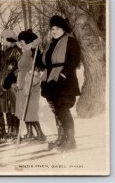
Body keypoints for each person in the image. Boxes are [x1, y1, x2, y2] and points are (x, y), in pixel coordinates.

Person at [36, 15, 81, 151]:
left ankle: (71, 140)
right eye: (52, 29)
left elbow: (74, 60)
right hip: (50, 81)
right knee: (56, 111)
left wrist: (62, 74)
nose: (54, 31)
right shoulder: (51, 44)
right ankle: (62, 138)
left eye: (57, 28)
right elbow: (44, 63)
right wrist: (36, 53)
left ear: (63, 29)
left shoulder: (70, 41)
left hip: (64, 81)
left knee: (63, 110)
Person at [16, 29, 46, 142]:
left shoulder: (34, 51)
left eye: (22, 43)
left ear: (28, 42)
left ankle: (40, 134)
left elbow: (39, 65)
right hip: (22, 83)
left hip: (31, 83)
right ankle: (30, 133)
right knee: (24, 109)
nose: (20, 45)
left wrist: (35, 72)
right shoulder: (25, 52)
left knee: (30, 110)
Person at [0, 29, 22, 138]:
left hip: (12, 83)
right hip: (3, 83)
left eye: (3, 39)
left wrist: (11, 78)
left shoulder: (17, 51)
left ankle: (16, 131)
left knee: (13, 107)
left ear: (9, 39)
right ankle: (10, 130)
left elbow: (19, 68)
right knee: (6, 106)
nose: (2, 41)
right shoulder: (5, 51)